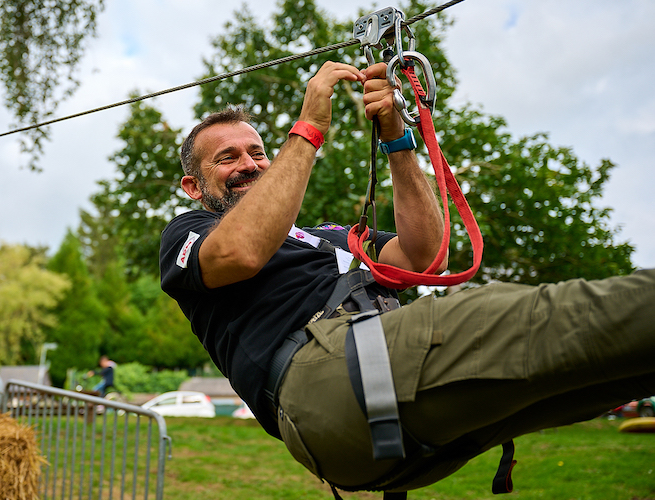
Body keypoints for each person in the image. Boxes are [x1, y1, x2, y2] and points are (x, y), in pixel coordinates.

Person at [159, 60, 655, 496]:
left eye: (258, 152)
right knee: (548, 313)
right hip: (324, 385)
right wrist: (308, 126)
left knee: (597, 371)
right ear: (192, 186)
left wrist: (397, 138)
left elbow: (424, 256)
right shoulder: (190, 233)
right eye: (228, 158)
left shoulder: (330, 236)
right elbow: (241, 251)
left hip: (391, 410)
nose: (250, 164)